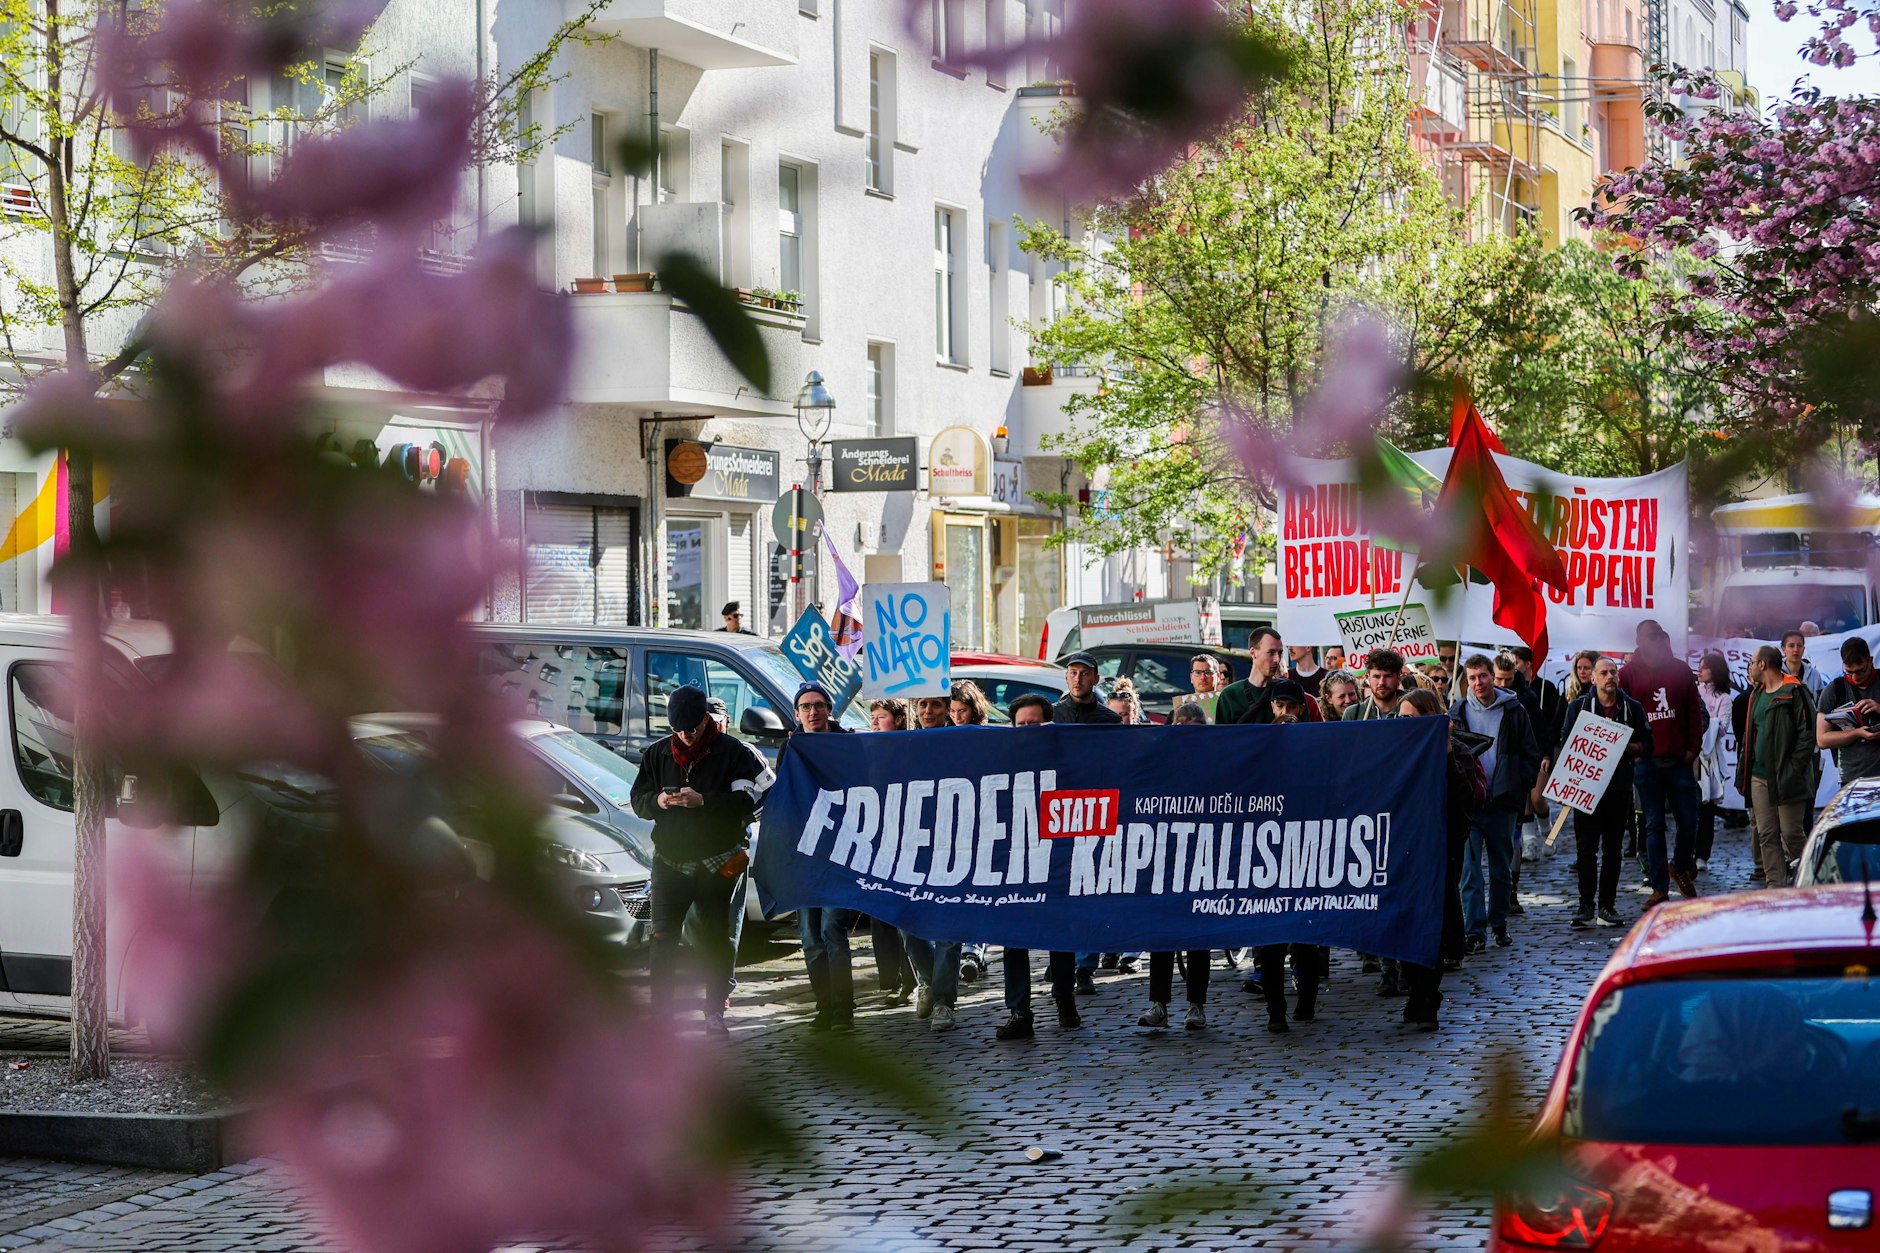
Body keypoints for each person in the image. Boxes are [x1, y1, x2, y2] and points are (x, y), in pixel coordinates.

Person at [630, 684, 773, 1038]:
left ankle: (714, 1012)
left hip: (717, 861)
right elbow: (637, 799)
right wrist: (659, 803)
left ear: (705, 720)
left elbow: (750, 803)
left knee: (715, 937)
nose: (685, 734)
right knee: (662, 937)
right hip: (670, 860)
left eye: (691, 727)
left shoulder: (734, 752)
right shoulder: (657, 754)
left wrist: (704, 802)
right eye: (678, 727)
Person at [1394, 687, 1483, 1029]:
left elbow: (1464, 798)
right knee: (1406, 921)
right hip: (1403, 849)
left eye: (1412, 718)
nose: (1405, 724)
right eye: (1401, 718)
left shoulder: (1457, 751)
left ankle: (1429, 997)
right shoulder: (1395, 752)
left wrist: (1445, 750)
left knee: (1432, 924)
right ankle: (1415, 990)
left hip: (1438, 851)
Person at [995, 695, 1081, 1040]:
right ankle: (1019, 1011)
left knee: (1060, 931)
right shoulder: (1000, 762)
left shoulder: (1068, 761)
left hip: (1057, 859)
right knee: (1013, 936)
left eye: (1036, 724)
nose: (1028, 731)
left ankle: (1064, 998)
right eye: (1022, 725)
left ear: (1050, 725)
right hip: (1015, 860)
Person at [1451, 655, 1541, 952]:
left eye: (1483, 676)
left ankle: (1499, 923)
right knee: (1469, 870)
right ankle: (1475, 930)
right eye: (1472, 677)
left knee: (1501, 869)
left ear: (1493, 676)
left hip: (1503, 802)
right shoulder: (1457, 712)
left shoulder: (1514, 712)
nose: (1478, 682)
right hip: (1468, 804)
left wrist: (1518, 786)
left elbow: (1530, 753)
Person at [786, 681, 862, 1031]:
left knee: (833, 929)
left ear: (829, 710)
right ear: (797, 713)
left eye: (818, 705)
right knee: (810, 938)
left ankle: (844, 1010)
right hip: (804, 854)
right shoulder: (791, 748)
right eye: (806, 706)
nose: (812, 711)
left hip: (838, 852)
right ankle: (825, 1006)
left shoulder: (847, 744)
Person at [1618, 621, 1704, 905]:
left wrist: (1693, 749)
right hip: (1647, 763)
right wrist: (1635, 751)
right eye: (1647, 637)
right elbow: (1621, 713)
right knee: (1653, 826)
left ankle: (1679, 866)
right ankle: (1659, 887)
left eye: (1656, 636)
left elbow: (1694, 710)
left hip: (1679, 759)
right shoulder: (1627, 674)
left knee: (1690, 821)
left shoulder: (1680, 670)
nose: (1652, 642)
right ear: (1638, 640)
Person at [1562, 658, 1651, 929]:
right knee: (1586, 849)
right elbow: (1567, 741)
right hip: (1586, 788)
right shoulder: (1578, 708)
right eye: (1604, 673)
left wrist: (1628, 747)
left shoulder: (1632, 708)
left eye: (1613, 672)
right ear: (1593, 679)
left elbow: (1648, 742)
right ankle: (1585, 905)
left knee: (1612, 849)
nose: (1610, 676)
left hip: (1618, 789)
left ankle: (1606, 906)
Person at [1256, 681, 1321, 1032]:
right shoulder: (1261, 770)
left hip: (1305, 862)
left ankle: (1306, 1002)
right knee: (1271, 945)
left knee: (1304, 941)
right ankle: (1275, 1010)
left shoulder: (1314, 769)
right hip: (1270, 867)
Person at [1738, 644, 1819, 889]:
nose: (1750, 667)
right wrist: (1744, 770)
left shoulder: (1795, 690)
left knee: (1792, 834)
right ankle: (1775, 886)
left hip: (1787, 775)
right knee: (1766, 833)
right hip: (1759, 776)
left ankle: (1814, 882)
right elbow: (1749, 735)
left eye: (1752, 662)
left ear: (1762, 664)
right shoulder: (1757, 694)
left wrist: (1795, 768)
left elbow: (1808, 734)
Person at [1818, 635, 1880, 788]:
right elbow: (1822, 739)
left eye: (1860, 671)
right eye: (1849, 672)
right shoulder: (1834, 690)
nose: (1855, 677)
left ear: (1870, 661)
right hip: (1852, 778)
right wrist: (1857, 733)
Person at [1694, 652, 1735, 873]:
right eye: (1699, 667)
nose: (1700, 671)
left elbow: (1721, 728)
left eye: (1705, 667)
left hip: (1709, 757)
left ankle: (1702, 853)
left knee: (1706, 806)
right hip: (1690, 754)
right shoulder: (1693, 690)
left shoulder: (1724, 698)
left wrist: (1707, 721)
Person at [1215, 628, 1286, 725]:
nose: (1277, 659)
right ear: (1253, 652)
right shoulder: (1230, 695)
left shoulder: (1289, 691)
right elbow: (1220, 737)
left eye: (1280, 653)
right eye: (1271, 652)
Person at [1054, 652, 1123, 725]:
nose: (1077, 679)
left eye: (1085, 674)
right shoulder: (1050, 715)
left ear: (1096, 679)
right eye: (1073, 673)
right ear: (1066, 677)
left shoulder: (1111, 721)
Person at [1343, 648, 1406, 720]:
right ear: (1368, 677)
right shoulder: (1353, 714)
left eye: (1388, 676)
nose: (1382, 682)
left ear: (1398, 677)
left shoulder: (1414, 708)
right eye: (1376, 676)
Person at [1171, 654, 1224, 721]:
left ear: (1218, 676)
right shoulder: (1178, 712)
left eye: (1208, 672)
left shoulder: (1229, 709)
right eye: (1197, 672)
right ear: (1191, 677)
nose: (1202, 677)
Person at [1781, 630, 1827, 699]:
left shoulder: (1814, 674)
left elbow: (1821, 702)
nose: (1796, 649)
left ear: (1803, 648)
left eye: (1799, 646)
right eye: (1791, 646)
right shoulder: (1776, 673)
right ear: (1783, 649)